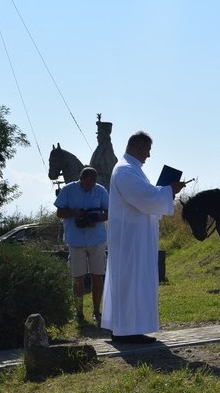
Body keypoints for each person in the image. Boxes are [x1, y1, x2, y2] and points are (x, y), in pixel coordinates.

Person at [101, 131, 186, 343]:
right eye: (147, 150)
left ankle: (129, 328)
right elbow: (144, 197)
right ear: (138, 147)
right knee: (131, 281)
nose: (148, 155)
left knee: (133, 281)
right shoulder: (125, 170)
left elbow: (147, 194)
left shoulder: (133, 170)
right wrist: (168, 190)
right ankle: (127, 330)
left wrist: (165, 191)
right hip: (130, 240)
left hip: (135, 237)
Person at [54, 166, 109, 327]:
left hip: (96, 239)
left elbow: (109, 211)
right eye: (85, 184)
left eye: (91, 184)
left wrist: (96, 218)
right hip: (75, 240)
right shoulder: (68, 190)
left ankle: (96, 311)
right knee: (77, 277)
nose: (88, 187)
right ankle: (78, 313)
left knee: (97, 275)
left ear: (95, 181)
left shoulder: (101, 191)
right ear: (81, 179)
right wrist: (74, 213)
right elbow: (59, 212)